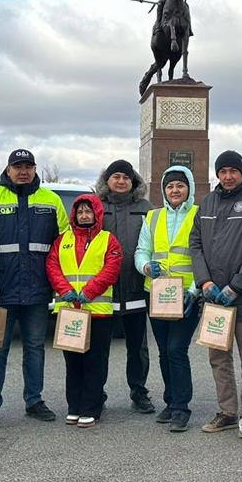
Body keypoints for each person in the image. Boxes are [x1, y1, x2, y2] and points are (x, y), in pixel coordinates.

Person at [0, 148, 69, 426]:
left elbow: (64, 245)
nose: (23, 171)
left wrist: (60, 282)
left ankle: (34, 401)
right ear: (8, 169)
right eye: (18, 166)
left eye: (28, 166)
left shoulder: (51, 201)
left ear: (35, 169)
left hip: (38, 290)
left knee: (35, 347)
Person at [190, 150, 242, 433]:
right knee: (218, 357)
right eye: (222, 171)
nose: (227, 176)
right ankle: (228, 411)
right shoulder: (208, 202)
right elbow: (195, 243)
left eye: (232, 171)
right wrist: (205, 282)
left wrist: (237, 285)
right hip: (214, 299)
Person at [136, 165, 202, 432]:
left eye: (180, 185)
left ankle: (181, 407)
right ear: (164, 190)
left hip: (187, 295)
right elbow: (142, 250)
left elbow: (204, 256)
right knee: (164, 351)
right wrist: (145, 266)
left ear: (189, 189)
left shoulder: (199, 215)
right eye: (170, 186)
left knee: (176, 350)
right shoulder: (152, 217)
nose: (175, 190)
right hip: (158, 293)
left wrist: (196, 289)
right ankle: (170, 400)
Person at [47, 195, 122, 427]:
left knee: (95, 362)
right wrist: (64, 289)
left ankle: (91, 407)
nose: (84, 216)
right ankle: (74, 406)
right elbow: (52, 265)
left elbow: (111, 268)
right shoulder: (62, 240)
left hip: (98, 311)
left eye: (88, 211)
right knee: (73, 362)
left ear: (97, 214)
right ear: (74, 215)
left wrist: (90, 291)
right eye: (80, 212)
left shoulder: (108, 240)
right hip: (69, 311)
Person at [96, 159, 156, 415]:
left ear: (133, 182)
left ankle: (139, 392)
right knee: (99, 346)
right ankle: (96, 393)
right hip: (103, 290)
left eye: (126, 177)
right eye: (116, 176)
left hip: (135, 287)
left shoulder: (146, 208)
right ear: (107, 180)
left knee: (138, 346)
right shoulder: (96, 206)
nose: (121, 181)